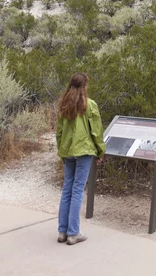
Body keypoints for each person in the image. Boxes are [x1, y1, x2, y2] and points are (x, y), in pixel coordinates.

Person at [56, 72, 106, 245]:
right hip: (84, 150)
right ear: (85, 86)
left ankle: (62, 231)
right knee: (77, 189)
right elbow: (96, 132)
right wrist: (100, 151)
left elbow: (59, 132)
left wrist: (61, 150)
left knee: (67, 188)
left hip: (68, 150)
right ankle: (73, 233)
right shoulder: (89, 105)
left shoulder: (64, 105)